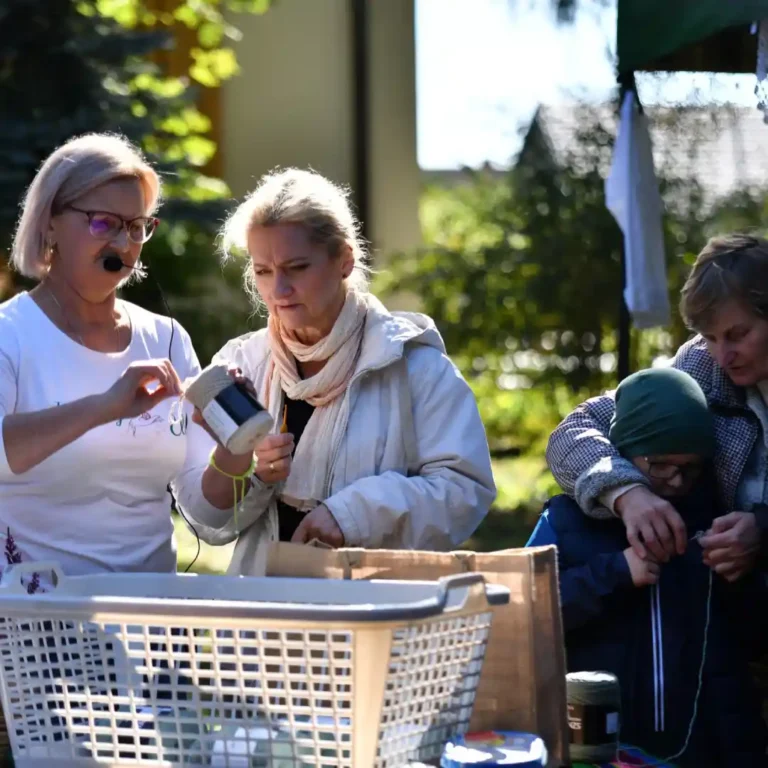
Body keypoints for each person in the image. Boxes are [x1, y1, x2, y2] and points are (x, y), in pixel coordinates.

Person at [188, 168, 495, 575]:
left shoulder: (412, 365)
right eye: (263, 271)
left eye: (296, 267)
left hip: (374, 615)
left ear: (344, 260)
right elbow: (206, 521)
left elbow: (464, 489)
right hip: (265, 616)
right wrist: (245, 465)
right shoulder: (241, 366)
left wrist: (352, 515)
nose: (278, 291)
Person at [0, 132, 237, 583]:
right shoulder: (10, 334)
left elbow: (207, 513)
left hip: (150, 626)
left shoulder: (166, 338)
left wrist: (233, 455)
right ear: (50, 222)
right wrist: (103, 407)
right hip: (33, 626)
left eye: (137, 227)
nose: (124, 245)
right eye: (103, 223)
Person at [528, 368, 767, 766]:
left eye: (690, 468)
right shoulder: (566, 520)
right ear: (623, 451)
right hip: (592, 747)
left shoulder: (718, 520)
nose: (675, 481)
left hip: (703, 751)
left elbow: (749, 639)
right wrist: (616, 572)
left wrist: (739, 577)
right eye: (659, 465)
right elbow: (527, 615)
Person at [547, 234, 768, 581]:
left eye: (738, 335)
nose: (723, 356)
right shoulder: (700, 367)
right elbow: (575, 431)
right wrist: (626, 492)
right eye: (710, 337)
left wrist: (763, 530)